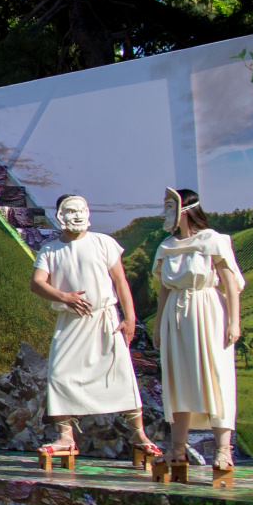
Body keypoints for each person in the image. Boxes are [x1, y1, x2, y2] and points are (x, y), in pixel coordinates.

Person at [29, 194, 159, 465]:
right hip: (71, 322)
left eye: (81, 210)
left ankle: (139, 434)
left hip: (105, 320)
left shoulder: (103, 242)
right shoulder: (50, 250)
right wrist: (64, 297)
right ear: (60, 215)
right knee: (60, 375)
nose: (77, 216)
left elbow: (120, 282)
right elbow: (37, 283)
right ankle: (66, 437)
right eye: (71, 211)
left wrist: (130, 318)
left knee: (121, 374)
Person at [152, 188, 246, 482]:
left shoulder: (212, 240)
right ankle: (177, 449)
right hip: (175, 317)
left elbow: (230, 283)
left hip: (207, 310)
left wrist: (234, 322)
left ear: (185, 209)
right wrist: (157, 325)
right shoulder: (167, 246)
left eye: (171, 206)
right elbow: (165, 289)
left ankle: (223, 449)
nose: (166, 212)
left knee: (216, 376)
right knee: (178, 379)